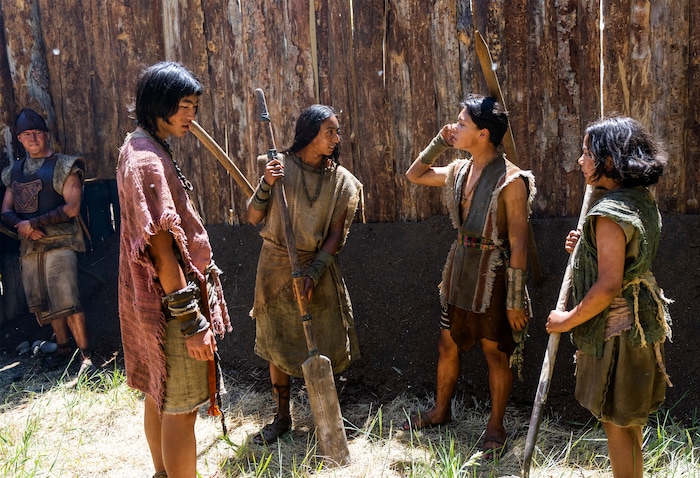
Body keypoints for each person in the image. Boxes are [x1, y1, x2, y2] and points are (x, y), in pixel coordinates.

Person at [116, 61, 231, 478]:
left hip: (154, 300)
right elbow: (163, 254)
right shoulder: (146, 160)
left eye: (194, 106)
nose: (191, 116)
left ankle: (162, 474)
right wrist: (192, 322)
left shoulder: (140, 147)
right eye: (183, 106)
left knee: (159, 394)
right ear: (158, 104)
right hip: (170, 306)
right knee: (181, 410)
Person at [403, 94, 535, 458]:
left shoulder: (512, 180)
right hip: (459, 272)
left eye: (462, 124)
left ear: (483, 134)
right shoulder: (459, 170)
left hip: (492, 277)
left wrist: (514, 302)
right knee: (447, 345)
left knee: (496, 354)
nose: (455, 127)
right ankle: (440, 411)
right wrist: (439, 141)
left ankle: (496, 427)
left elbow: (519, 244)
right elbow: (415, 175)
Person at [546, 116, 672, 478]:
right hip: (640, 326)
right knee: (629, 424)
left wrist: (566, 320)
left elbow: (608, 285)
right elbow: (621, 254)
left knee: (616, 426)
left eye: (587, 153)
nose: (580, 161)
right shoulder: (639, 199)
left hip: (618, 330)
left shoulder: (609, 214)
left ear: (611, 161)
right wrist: (584, 247)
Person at [247, 104, 362, 445]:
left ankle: (327, 419)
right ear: (310, 133)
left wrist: (313, 274)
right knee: (278, 344)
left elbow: (335, 236)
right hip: (275, 270)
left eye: (337, 132)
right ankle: (282, 418)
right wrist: (267, 183)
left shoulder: (342, 182)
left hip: (318, 271)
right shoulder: (277, 166)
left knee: (325, 342)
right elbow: (253, 217)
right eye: (330, 132)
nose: (336, 139)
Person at [1, 108, 93, 374]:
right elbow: (6, 209)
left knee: (68, 300)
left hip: (61, 242)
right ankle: (63, 349)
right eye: (26, 134)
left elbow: (72, 208)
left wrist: (34, 223)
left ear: (45, 134)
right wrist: (23, 226)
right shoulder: (14, 172)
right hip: (31, 245)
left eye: (37, 132)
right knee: (47, 304)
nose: (32, 138)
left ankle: (86, 356)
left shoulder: (65, 166)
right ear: (19, 138)